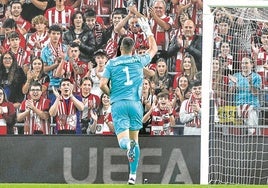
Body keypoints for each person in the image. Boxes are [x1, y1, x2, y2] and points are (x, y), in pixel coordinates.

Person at [100, 16, 157, 185]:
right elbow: (153, 48)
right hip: (135, 104)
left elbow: (102, 84)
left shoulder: (112, 63)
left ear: (120, 48)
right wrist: (146, 28)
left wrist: (111, 94)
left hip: (119, 104)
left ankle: (128, 146)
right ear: (133, 49)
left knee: (124, 141)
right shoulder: (138, 60)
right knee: (135, 140)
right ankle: (132, 176)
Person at [228, 57, 262, 135]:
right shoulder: (235, 76)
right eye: (242, 63)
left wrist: (250, 83)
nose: (244, 65)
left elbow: (256, 93)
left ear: (252, 65)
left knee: (250, 114)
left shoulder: (257, 77)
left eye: (246, 63)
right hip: (238, 105)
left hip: (252, 105)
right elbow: (230, 92)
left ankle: (253, 135)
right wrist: (234, 84)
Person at [41, 24, 68, 89]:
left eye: (58, 34)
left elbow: (70, 65)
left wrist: (63, 60)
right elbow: (44, 69)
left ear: (60, 35)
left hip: (65, 84)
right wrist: (56, 65)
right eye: (53, 33)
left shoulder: (65, 49)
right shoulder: (45, 50)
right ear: (49, 34)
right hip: (51, 84)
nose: (56, 36)